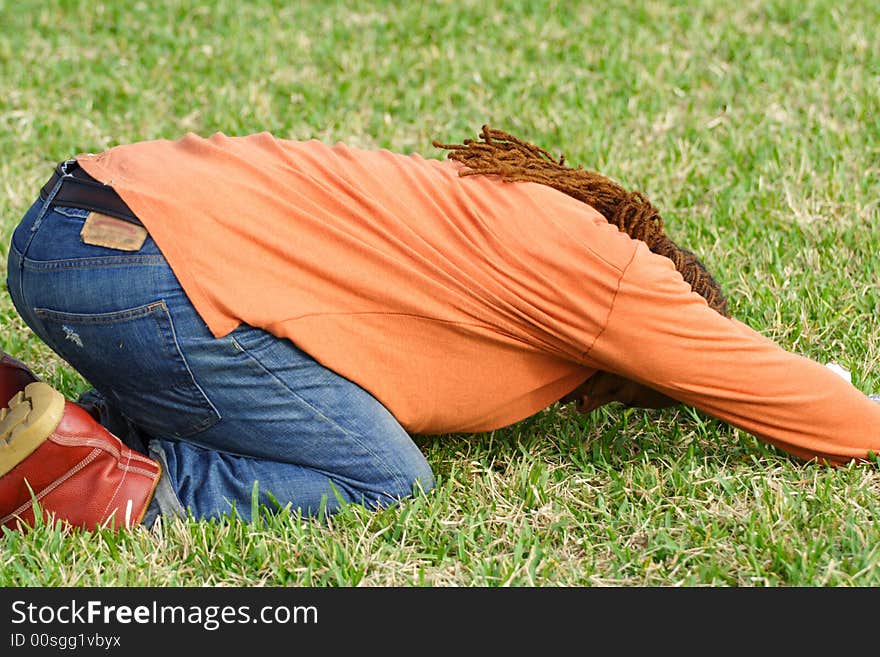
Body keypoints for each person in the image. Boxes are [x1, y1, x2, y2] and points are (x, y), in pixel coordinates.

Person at [2, 125, 879, 531]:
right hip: (139, 272)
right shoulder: (612, 271)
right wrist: (838, 398)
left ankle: (36, 417)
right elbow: (767, 385)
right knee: (384, 479)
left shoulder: (502, 223)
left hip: (69, 234)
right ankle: (94, 486)